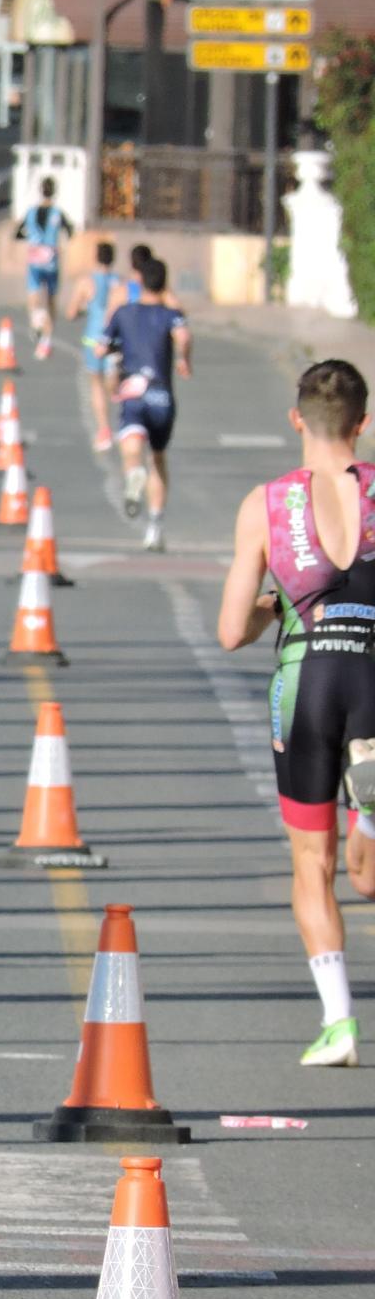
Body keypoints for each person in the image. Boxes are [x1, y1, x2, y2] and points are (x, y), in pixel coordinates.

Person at [215, 359, 375, 1069]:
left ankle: (339, 1023)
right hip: (373, 666)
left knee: (314, 863)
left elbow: (227, 631)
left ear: (295, 420)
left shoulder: (266, 504)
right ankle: (367, 807)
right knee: (370, 871)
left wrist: (274, 606)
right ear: (363, 425)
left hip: (306, 679)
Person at [99, 256, 190, 550]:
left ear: (139, 281)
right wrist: (184, 359)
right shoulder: (171, 314)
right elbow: (183, 335)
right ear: (164, 284)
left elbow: (102, 347)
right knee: (159, 458)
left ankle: (133, 472)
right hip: (162, 397)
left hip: (134, 394)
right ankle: (155, 526)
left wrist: (112, 352)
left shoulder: (123, 312)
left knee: (131, 447)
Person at [65, 241, 121, 452]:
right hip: (116, 340)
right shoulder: (120, 283)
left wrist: (83, 310)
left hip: (93, 339)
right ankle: (116, 391)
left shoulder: (86, 282)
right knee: (112, 382)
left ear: (96, 257)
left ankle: (104, 429)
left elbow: (71, 313)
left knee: (96, 385)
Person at [13, 177, 72, 360]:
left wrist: (30, 237)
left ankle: (37, 322)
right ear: (54, 191)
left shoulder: (31, 212)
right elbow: (70, 230)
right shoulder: (57, 213)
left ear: (40, 190)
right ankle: (46, 338)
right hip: (52, 258)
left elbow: (18, 233)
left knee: (33, 295)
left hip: (35, 256)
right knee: (52, 299)